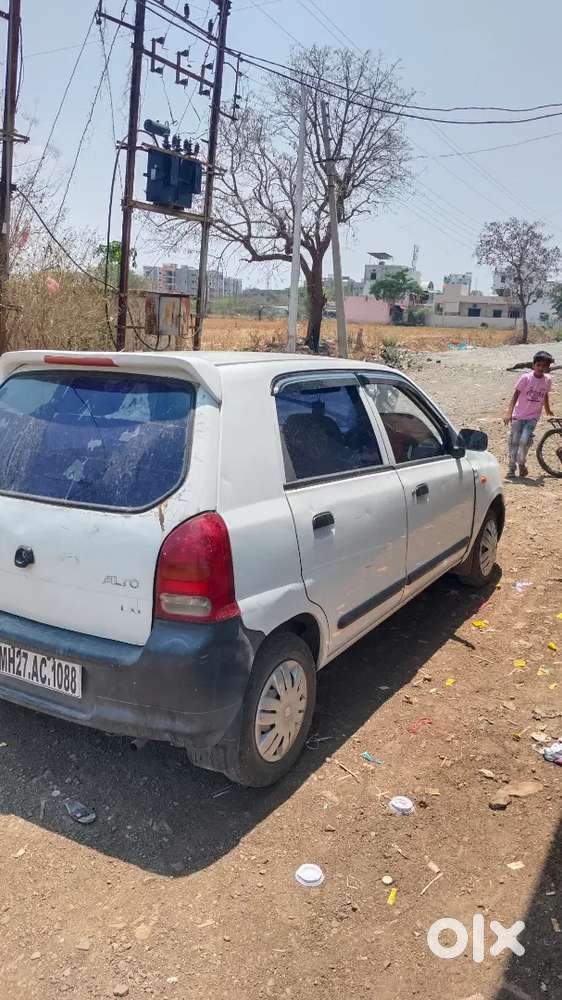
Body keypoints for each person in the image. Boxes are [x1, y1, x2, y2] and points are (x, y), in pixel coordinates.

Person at [504, 350, 555, 477]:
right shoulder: (526, 378)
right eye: (539, 365)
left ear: (548, 368)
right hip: (518, 415)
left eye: (544, 366)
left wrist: (547, 408)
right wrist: (509, 412)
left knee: (525, 440)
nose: (541, 368)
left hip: (533, 416)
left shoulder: (547, 380)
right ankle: (511, 468)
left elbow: (545, 395)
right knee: (514, 441)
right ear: (533, 365)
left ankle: (521, 464)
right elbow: (515, 395)